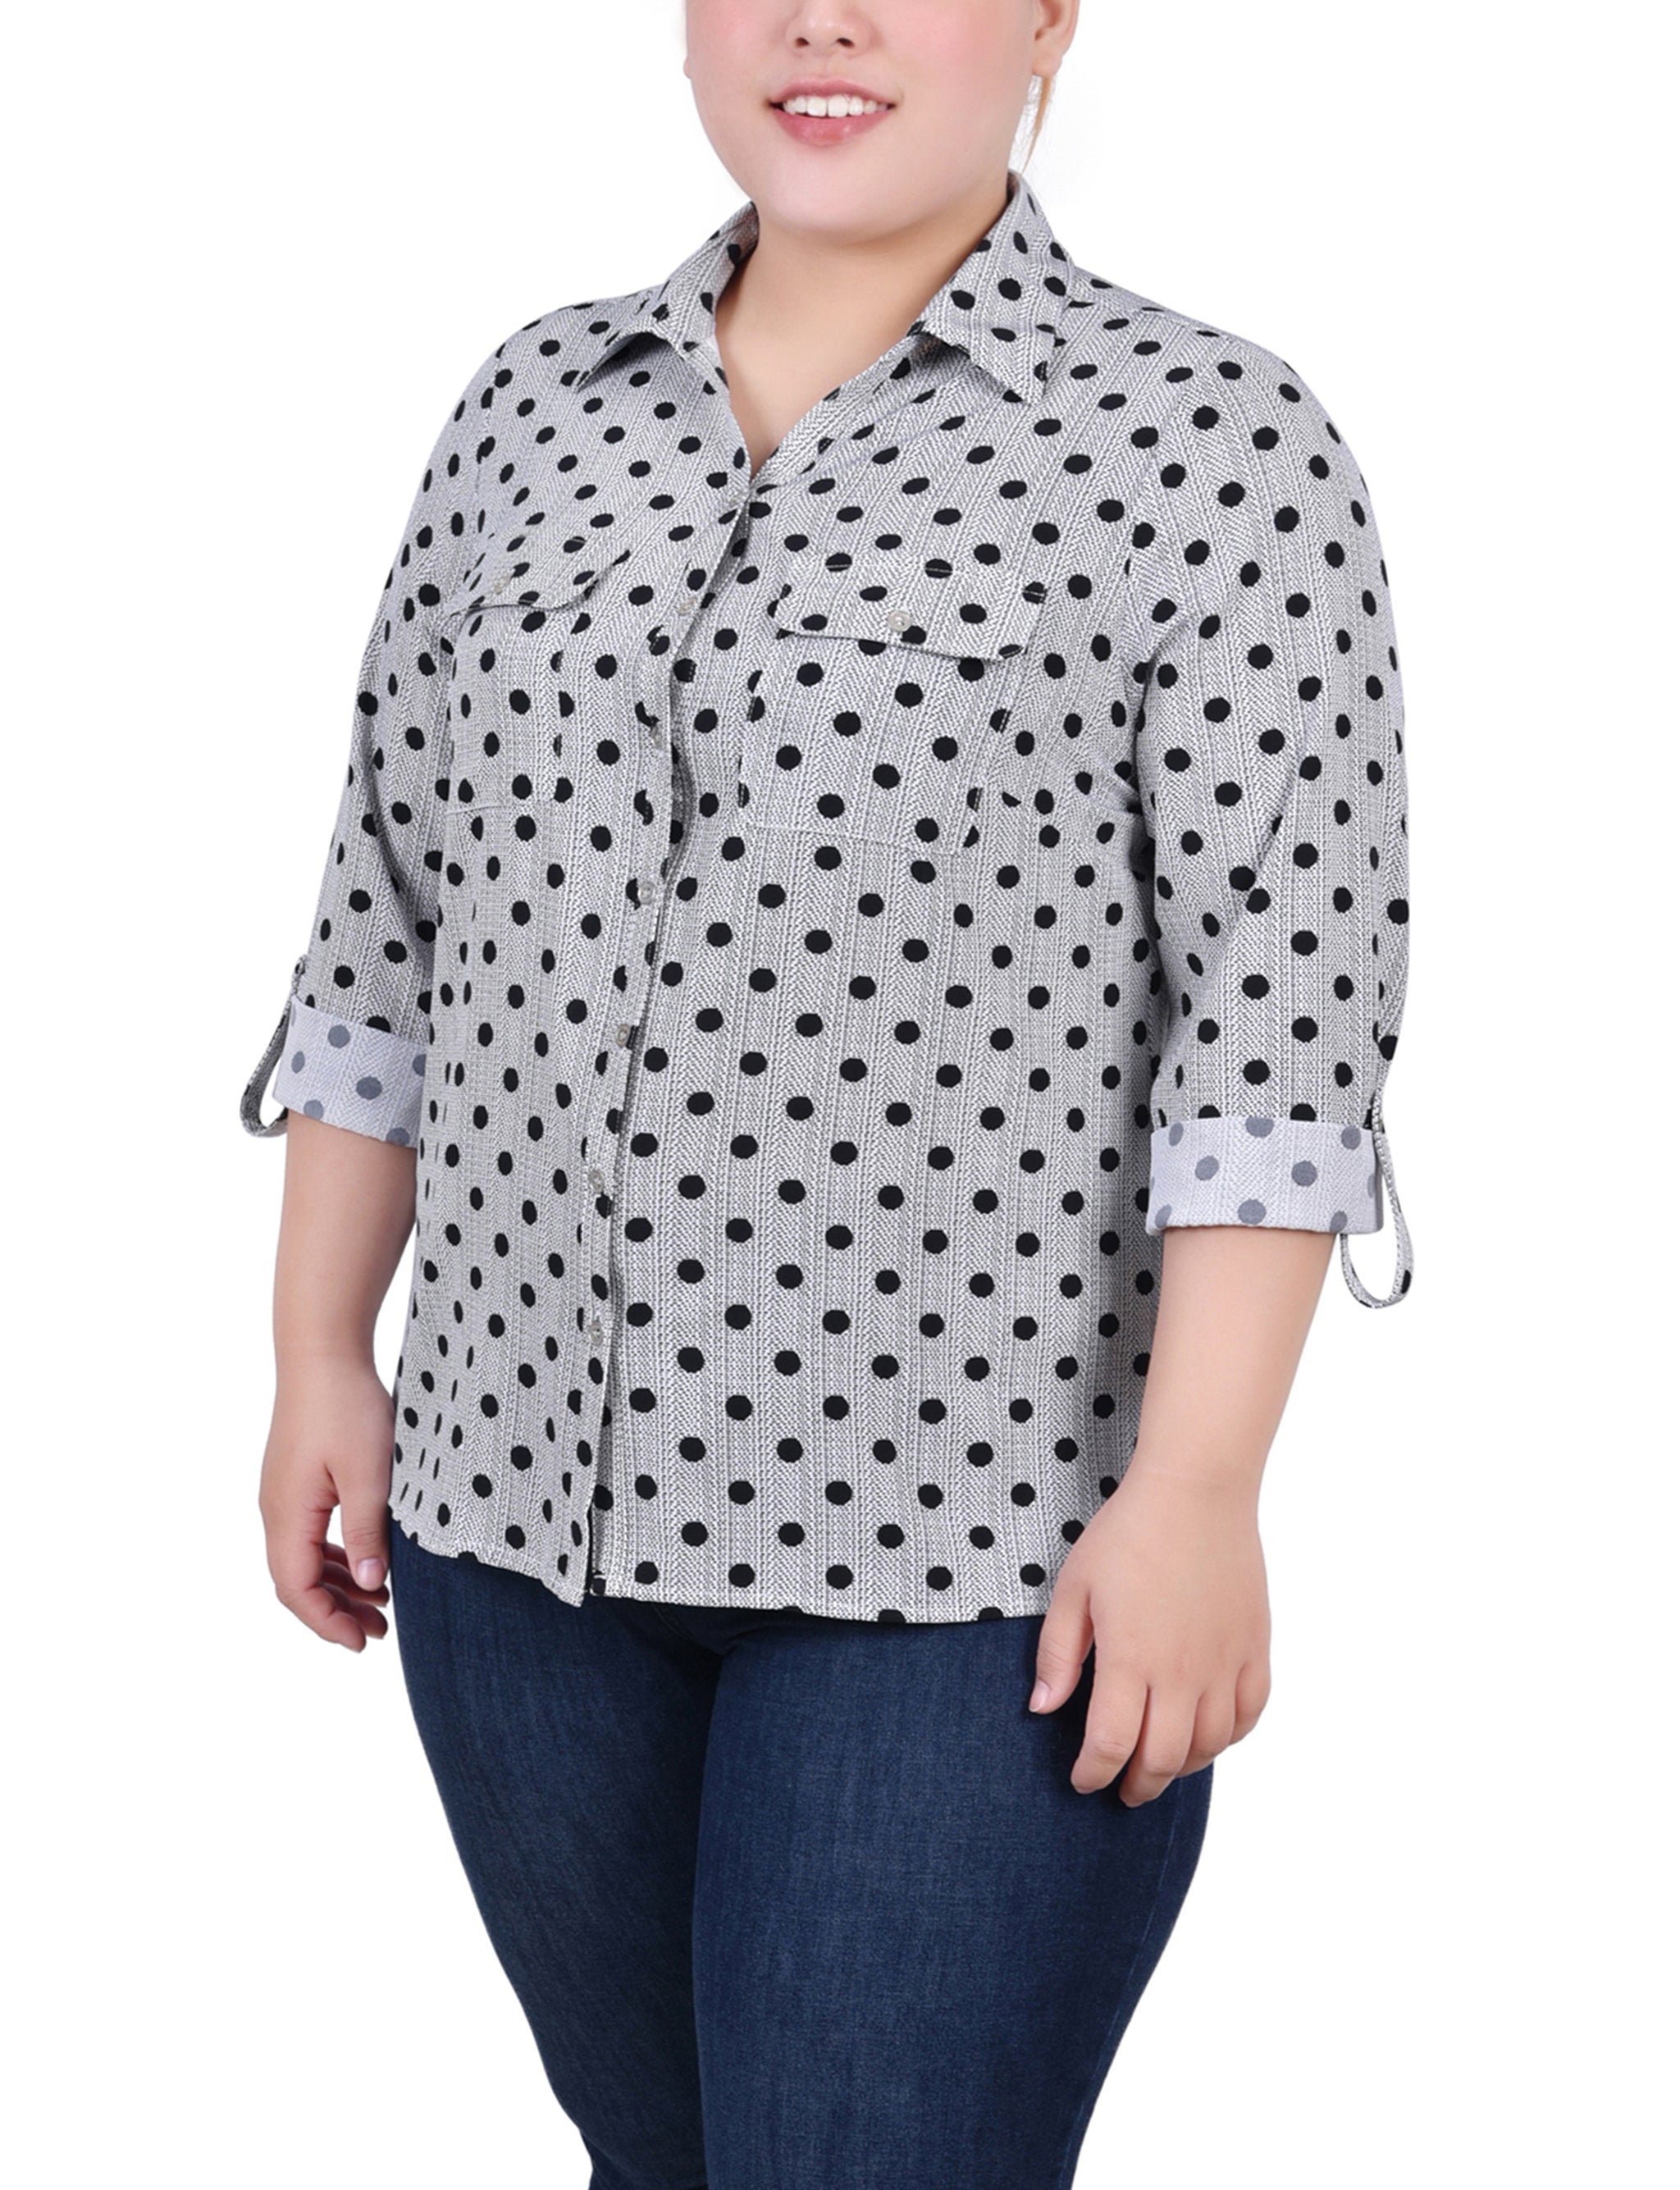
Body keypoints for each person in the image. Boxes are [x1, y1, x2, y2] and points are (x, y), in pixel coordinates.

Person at [241, 4, 1413, 2183]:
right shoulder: (531, 410)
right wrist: (320, 1341)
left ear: (1050, 14)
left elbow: (1276, 1027)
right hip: (512, 1538)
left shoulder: (1208, 444)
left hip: (971, 1569)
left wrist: (1200, 1488)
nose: (823, 19)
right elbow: (390, 909)